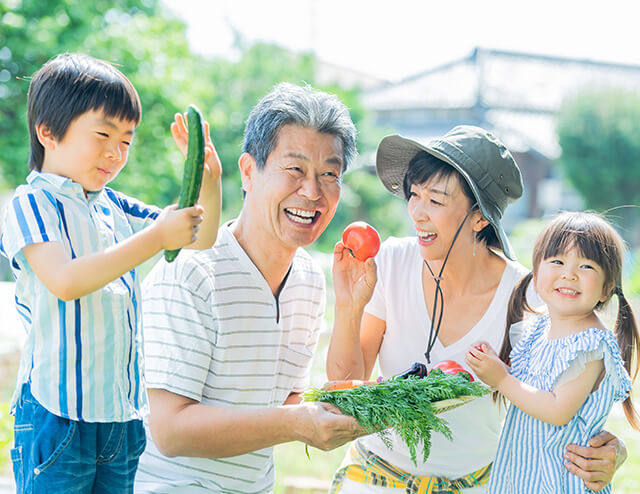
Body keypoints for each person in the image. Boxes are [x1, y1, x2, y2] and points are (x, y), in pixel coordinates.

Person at [325, 126, 627, 493]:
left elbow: (566, 391)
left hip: (474, 485)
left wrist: (613, 448)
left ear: (479, 217)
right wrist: (348, 305)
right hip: (375, 478)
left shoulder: (531, 296)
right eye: (414, 195)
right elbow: (346, 388)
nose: (417, 213)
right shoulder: (391, 262)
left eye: (435, 201)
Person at [0, 53, 221, 493]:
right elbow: (66, 281)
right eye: (103, 134)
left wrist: (209, 180)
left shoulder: (114, 205)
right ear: (48, 132)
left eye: (126, 140)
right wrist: (157, 237)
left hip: (121, 417)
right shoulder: (31, 204)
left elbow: (198, 237)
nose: (115, 152)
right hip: (56, 415)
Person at [134, 82, 365, 493]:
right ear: (247, 171)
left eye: (329, 174)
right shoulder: (191, 271)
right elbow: (170, 429)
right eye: (294, 169)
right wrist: (297, 423)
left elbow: (288, 401)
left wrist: (350, 311)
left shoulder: (310, 279)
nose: (312, 191)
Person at [466, 211, 639, 493]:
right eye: (557, 261)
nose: (568, 274)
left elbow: (558, 410)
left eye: (586, 266)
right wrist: (495, 367)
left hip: (560, 481)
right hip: (524, 474)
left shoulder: (590, 345)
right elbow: (532, 388)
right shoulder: (537, 328)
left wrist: (503, 380)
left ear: (607, 288)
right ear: (536, 276)